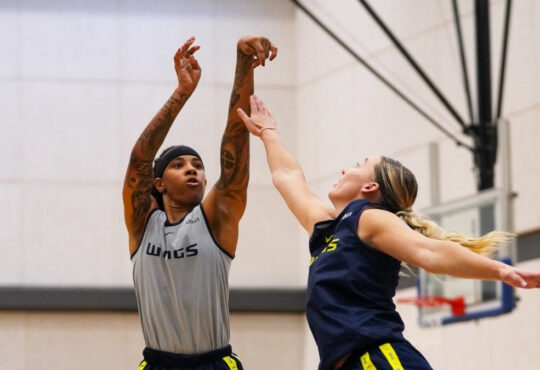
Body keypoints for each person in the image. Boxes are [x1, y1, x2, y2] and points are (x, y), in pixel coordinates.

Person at [236, 95, 540, 370]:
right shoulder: (328, 227)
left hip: (380, 358)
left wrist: (500, 271)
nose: (344, 170)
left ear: (370, 187)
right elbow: (288, 176)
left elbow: (430, 251)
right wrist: (268, 133)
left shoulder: (368, 219)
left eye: (358, 165)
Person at [122, 37, 277, 370]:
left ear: (207, 181)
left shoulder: (216, 218)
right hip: (157, 363)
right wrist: (182, 92)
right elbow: (140, 159)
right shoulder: (142, 223)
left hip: (214, 362)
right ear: (158, 184)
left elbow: (237, 134)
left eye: (197, 165)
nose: (191, 168)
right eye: (179, 165)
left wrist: (242, 62)